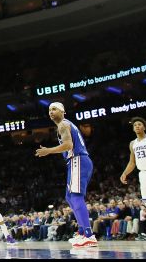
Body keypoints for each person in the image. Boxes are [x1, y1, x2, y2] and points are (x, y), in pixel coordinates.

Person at [35, 102, 97, 248]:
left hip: (77, 159)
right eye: (49, 110)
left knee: (75, 196)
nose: (51, 112)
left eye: (54, 109)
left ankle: (89, 235)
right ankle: (81, 232)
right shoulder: (65, 124)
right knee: (69, 197)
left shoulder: (63, 124)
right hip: (76, 161)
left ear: (63, 111)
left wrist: (48, 151)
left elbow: (69, 145)